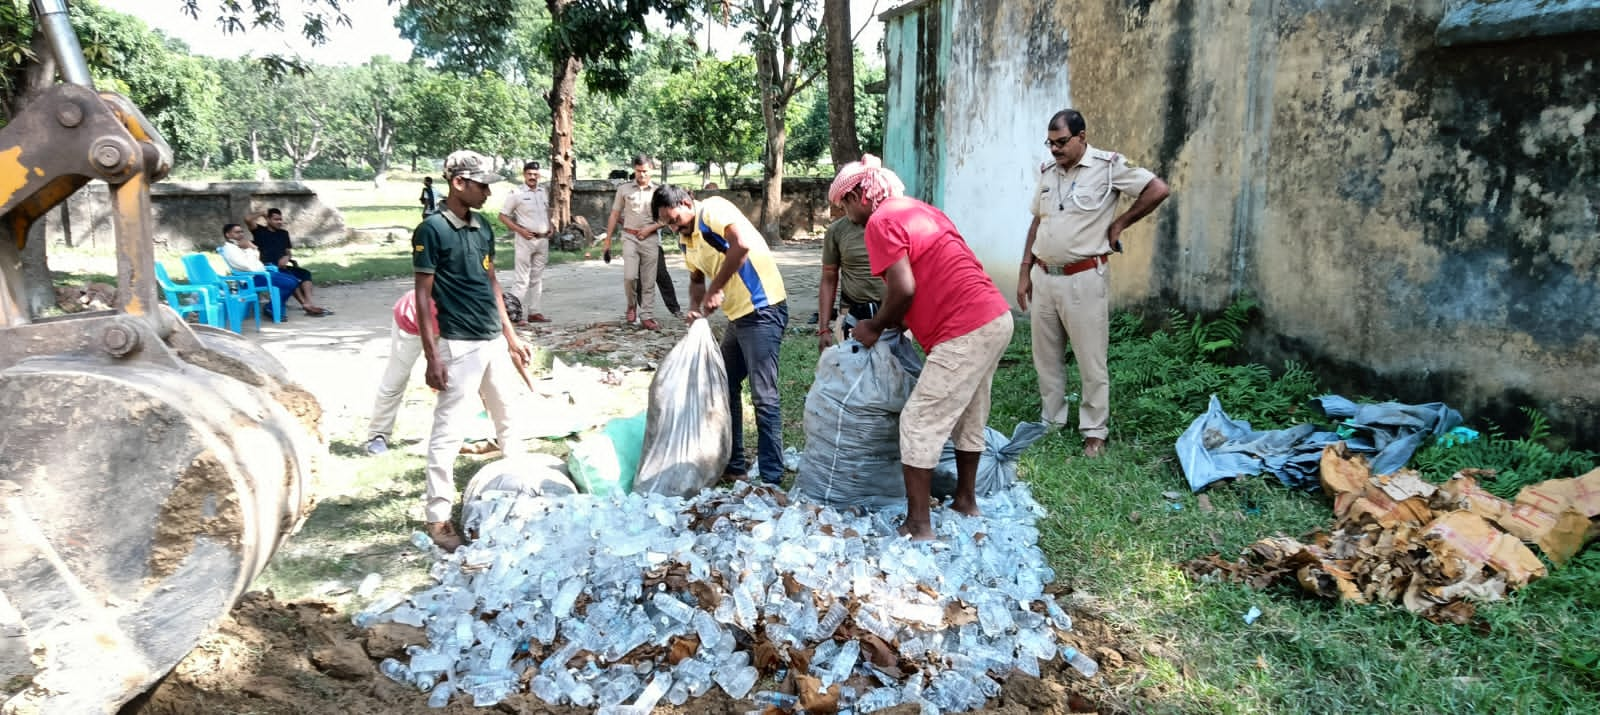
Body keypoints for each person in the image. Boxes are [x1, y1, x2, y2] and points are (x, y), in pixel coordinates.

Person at [829, 155, 1014, 541]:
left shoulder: (880, 222)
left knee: (918, 421)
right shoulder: (920, 210)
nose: (845, 214)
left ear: (862, 194)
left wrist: (874, 326)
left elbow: (903, 289)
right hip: (995, 316)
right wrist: (893, 323)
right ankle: (966, 500)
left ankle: (918, 524)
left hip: (963, 328)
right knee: (969, 414)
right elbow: (926, 279)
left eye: (845, 203)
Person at [1017, 109, 1170, 458]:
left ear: (1082, 137)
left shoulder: (1109, 166)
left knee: (1091, 359)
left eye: (1062, 142)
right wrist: (1025, 270)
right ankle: (1051, 421)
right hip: (1045, 276)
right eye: (1050, 143)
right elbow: (1036, 224)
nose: (1054, 150)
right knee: (1046, 357)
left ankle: (1094, 431)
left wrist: (1120, 224)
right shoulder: (1047, 173)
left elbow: (1157, 189)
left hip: (1083, 277)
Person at [413, 149, 533, 552]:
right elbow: (422, 294)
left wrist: (511, 337)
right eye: (482, 185)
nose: (487, 193)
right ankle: (439, 517)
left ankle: (521, 497)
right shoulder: (431, 231)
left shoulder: (482, 228)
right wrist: (432, 357)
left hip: (492, 339)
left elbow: (492, 284)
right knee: (448, 432)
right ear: (458, 183)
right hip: (458, 343)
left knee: (509, 419)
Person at [653, 184, 789, 485]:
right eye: (666, 222)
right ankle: (735, 464)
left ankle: (771, 476)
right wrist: (694, 308)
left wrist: (718, 288)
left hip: (763, 308)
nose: (672, 225)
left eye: (673, 217)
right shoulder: (687, 240)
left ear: (687, 202)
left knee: (764, 396)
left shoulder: (712, 209)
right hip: (739, 317)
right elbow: (696, 279)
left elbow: (741, 246)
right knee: (724, 385)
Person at [600, 155, 666, 330]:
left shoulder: (659, 191)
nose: (642, 175)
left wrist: (650, 229)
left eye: (645, 171)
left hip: (650, 238)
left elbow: (666, 219)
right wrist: (607, 241)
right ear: (634, 170)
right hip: (630, 237)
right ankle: (631, 305)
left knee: (649, 279)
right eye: (638, 171)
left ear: (651, 170)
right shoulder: (624, 189)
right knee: (630, 277)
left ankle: (647, 315)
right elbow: (614, 214)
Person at [243, 207, 332, 316]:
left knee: (305, 274)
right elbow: (247, 219)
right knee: (291, 278)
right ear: (268, 220)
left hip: (283, 265)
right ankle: (306, 305)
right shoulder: (259, 231)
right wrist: (262, 212)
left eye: (280, 219)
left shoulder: (283, 233)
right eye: (276, 219)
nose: (279, 222)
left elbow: (288, 252)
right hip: (269, 267)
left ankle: (308, 302)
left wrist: (287, 258)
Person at [218, 223, 318, 317]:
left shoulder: (240, 246)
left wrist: (251, 249)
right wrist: (250, 249)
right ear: (228, 235)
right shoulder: (229, 249)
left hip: (260, 273)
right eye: (237, 232)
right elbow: (249, 266)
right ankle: (272, 308)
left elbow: (256, 260)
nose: (241, 234)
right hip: (250, 278)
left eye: (241, 231)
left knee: (293, 279)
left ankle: (273, 308)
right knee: (290, 283)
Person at [816, 214, 884, 350]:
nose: (844, 206)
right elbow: (829, 278)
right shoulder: (837, 230)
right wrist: (824, 329)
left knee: (893, 368)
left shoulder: (895, 225)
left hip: (891, 316)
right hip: (852, 314)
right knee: (853, 368)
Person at [498, 161, 553, 324]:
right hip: (525, 239)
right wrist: (519, 230)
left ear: (539, 175)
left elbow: (546, 211)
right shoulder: (517, 193)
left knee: (537, 278)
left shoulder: (543, 191)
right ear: (524, 175)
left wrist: (551, 225)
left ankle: (535, 312)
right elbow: (503, 216)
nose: (532, 177)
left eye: (535, 174)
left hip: (542, 239)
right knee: (522, 278)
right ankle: (516, 314)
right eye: (529, 174)